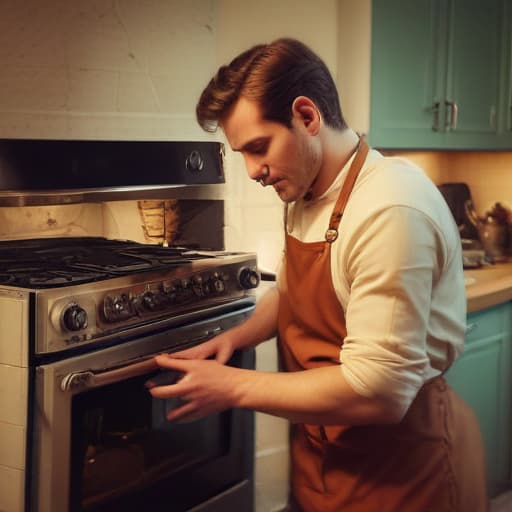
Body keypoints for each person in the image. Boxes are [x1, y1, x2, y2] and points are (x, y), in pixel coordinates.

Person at [146, 38, 487, 512]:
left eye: (258, 147)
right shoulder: (307, 190)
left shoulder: (389, 208)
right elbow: (293, 291)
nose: (252, 171)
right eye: (241, 152)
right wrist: (239, 337)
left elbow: (382, 392)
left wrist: (232, 387)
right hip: (324, 458)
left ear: (307, 117)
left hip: (404, 470)